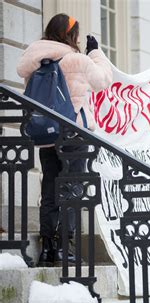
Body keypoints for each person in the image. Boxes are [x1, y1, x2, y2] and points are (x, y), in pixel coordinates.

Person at [17, 13, 112, 266]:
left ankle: (47, 248)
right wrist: (96, 53)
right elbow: (104, 80)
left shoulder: (36, 60)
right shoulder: (77, 59)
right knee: (72, 189)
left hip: (46, 132)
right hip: (73, 132)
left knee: (49, 188)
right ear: (70, 35)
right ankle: (64, 247)